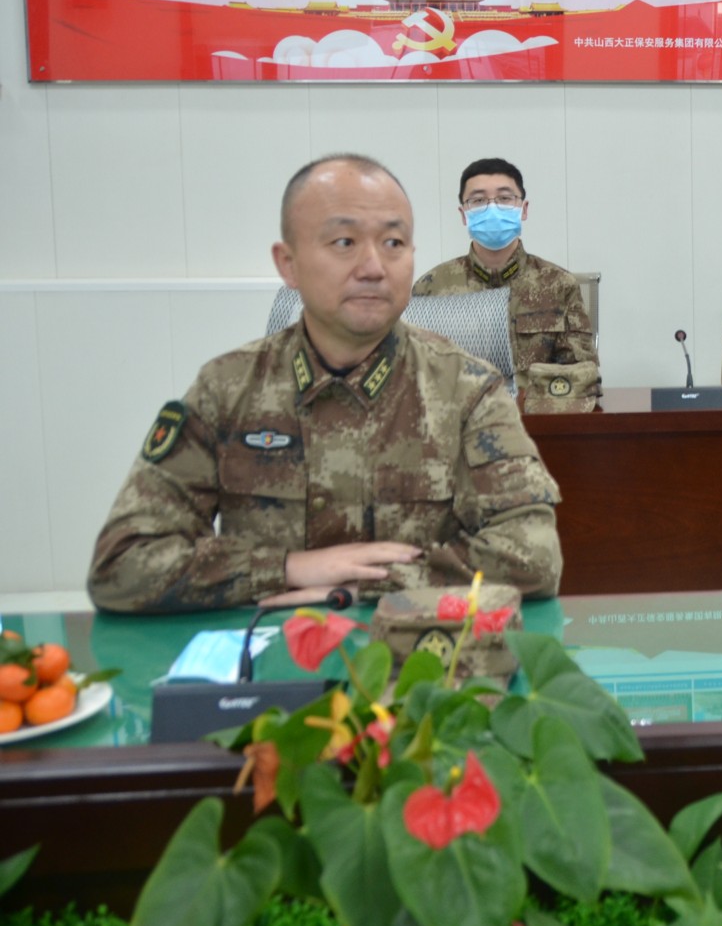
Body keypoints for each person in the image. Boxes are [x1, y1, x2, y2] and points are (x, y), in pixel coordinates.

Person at [87, 155, 563, 614]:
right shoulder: (228, 389)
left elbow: (534, 557)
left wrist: (367, 584)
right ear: (288, 264)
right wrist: (286, 569)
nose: (374, 267)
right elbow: (121, 565)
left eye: (394, 243)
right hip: (272, 651)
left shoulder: (468, 389)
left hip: (418, 652)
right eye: (344, 242)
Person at [412, 157, 601, 413]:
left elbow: (581, 376)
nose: (492, 209)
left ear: (523, 209)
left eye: (504, 198)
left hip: (536, 424)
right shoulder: (432, 287)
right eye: (478, 200)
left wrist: (523, 397)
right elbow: (416, 376)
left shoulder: (558, 285)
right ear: (464, 214)